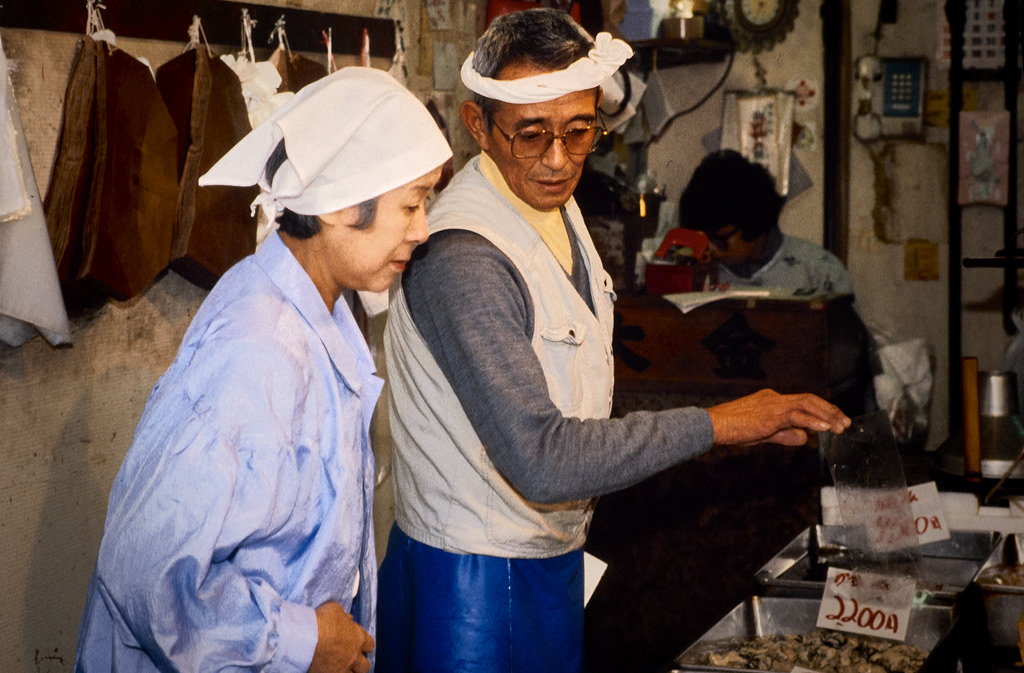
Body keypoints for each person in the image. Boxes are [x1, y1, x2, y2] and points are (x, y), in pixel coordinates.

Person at [375, 9, 850, 673]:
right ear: (476, 123)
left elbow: (574, 401)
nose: (559, 160)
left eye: (579, 131)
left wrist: (729, 431)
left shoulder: (548, 201)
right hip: (471, 583)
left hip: (547, 558)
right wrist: (720, 424)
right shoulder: (465, 258)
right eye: (532, 134)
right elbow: (541, 456)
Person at [73, 67, 451, 673]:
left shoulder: (319, 309)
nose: (422, 229)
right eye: (410, 205)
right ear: (335, 207)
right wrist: (303, 641)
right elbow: (146, 573)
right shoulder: (259, 349)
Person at [679, 149, 853, 294]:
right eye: (701, 238)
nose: (708, 249)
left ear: (754, 222)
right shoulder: (694, 272)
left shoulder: (819, 271)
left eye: (719, 240)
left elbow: (849, 334)